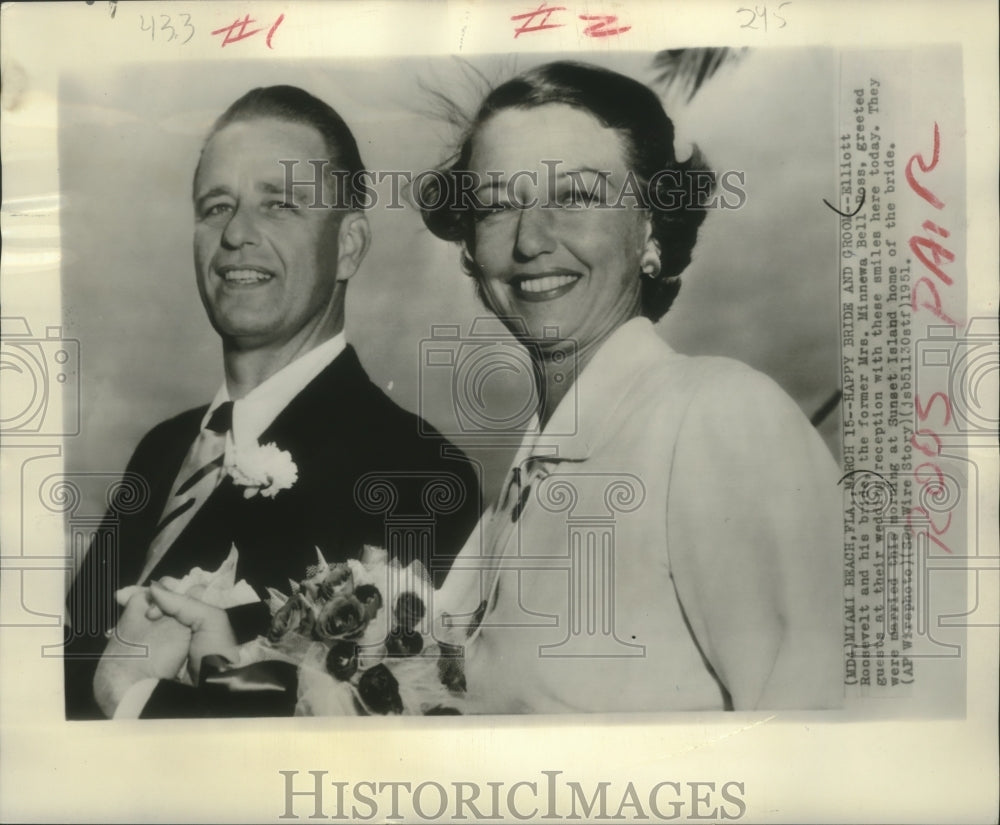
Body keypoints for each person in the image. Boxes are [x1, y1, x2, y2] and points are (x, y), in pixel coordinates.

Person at [421, 61, 842, 712]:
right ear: (472, 246)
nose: (532, 238)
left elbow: (818, 739)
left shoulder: (716, 417)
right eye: (499, 204)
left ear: (650, 230)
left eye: (578, 197)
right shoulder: (522, 485)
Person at [63, 86, 481, 719]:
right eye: (216, 206)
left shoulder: (416, 471)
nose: (236, 234)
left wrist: (137, 702)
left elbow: (366, 718)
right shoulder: (162, 449)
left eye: (278, 205)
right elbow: (70, 659)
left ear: (348, 246)